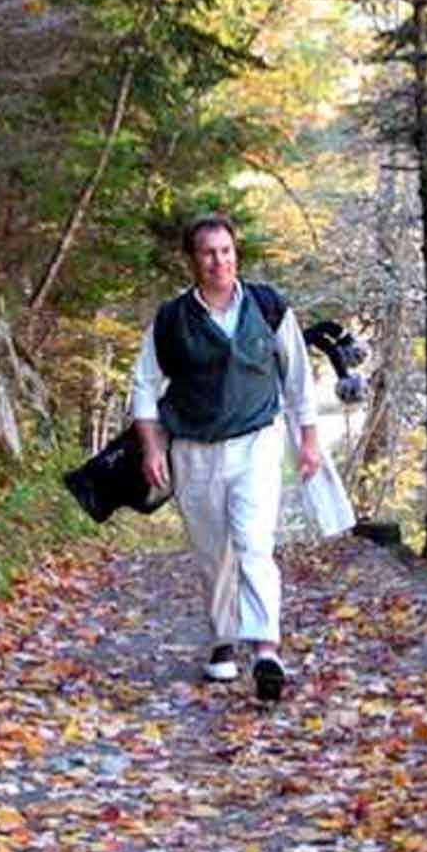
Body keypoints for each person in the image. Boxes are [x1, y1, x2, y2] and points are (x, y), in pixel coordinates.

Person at [130, 213, 321, 702]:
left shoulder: (267, 306)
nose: (219, 261)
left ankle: (266, 649)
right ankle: (222, 640)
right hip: (193, 450)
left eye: (226, 251)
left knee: (254, 543)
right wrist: (152, 447)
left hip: (256, 442)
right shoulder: (171, 320)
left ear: (237, 253)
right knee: (214, 554)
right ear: (192, 260)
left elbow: (297, 375)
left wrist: (308, 438)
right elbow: (145, 387)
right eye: (208, 253)